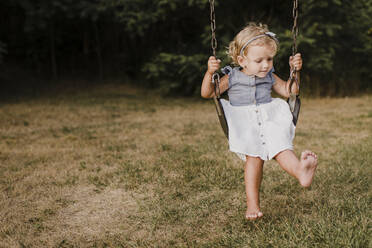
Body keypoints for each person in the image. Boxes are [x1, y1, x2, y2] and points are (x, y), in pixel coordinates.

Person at [201, 23, 318, 220]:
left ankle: (301, 171)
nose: (266, 65)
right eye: (259, 60)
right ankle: (252, 205)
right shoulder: (232, 76)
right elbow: (208, 92)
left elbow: (290, 91)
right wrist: (209, 73)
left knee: (282, 147)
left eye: (269, 59)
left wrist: (295, 71)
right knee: (254, 158)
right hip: (244, 120)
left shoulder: (269, 76)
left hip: (268, 116)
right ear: (242, 60)